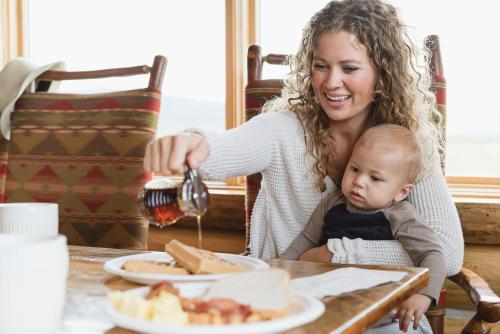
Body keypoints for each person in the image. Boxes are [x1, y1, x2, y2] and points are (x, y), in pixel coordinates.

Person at [144, 0, 464, 332]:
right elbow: (224, 148)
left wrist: (333, 255)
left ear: (382, 74)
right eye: (321, 65)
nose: (330, 82)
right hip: (289, 310)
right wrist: (192, 142)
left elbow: (447, 252)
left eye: (349, 69)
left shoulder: (409, 146)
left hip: (385, 315)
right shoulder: (283, 130)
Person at [281, 124, 446, 332]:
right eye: (355, 169)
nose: (359, 181)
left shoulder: (400, 216)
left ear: (401, 192)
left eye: (375, 178)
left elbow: (433, 254)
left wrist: (424, 295)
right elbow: (306, 239)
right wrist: (279, 270)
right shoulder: (332, 204)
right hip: (332, 309)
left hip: (388, 313)